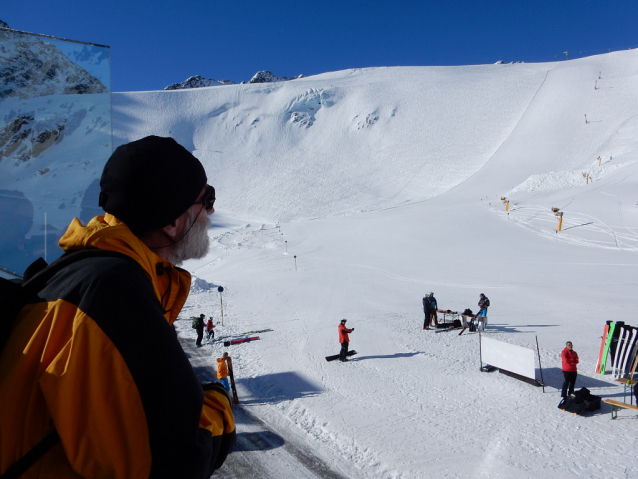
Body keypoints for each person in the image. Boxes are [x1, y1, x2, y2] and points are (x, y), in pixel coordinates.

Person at [0, 136, 235, 478]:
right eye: (205, 199)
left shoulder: (84, 270)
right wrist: (219, 403)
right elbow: (170, 459)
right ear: (172, 222)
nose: (211, 211)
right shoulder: (113, 292)